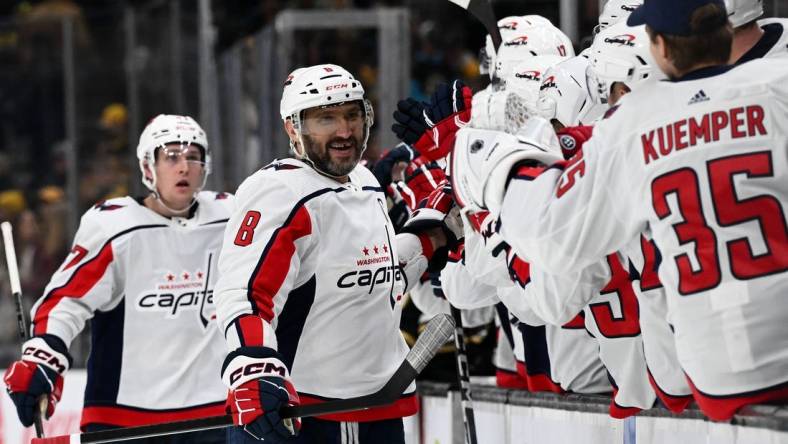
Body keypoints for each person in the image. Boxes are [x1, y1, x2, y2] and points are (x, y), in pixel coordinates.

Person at [448, 0, 788, 421]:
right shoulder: (779, 84)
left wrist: (505, 168)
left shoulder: (634, 122)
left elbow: (555, 239)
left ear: (659, 47)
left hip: (708, 373)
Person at [215, 64, 446, 444]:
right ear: (293, 128)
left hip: (377, 409)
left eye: (352, 115)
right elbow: (245, 295)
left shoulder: (366, 182)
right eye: (326, 118)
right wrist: (252, 366)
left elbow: (372, 278)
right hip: (299, 416)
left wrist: (433, 237)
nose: (344, 131)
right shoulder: (279, 192)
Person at [3, 114, 232, 442]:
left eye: (193, 157)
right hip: (126, 418)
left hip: (214, 415)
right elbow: (67, 300)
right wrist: (43, 355)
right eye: (170, 157)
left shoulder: (229, 217)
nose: (183, 167)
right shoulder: (116, 226)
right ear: (148, 166)